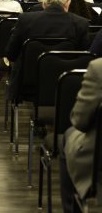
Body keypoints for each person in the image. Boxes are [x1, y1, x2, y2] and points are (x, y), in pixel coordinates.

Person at [5, 0, 90, 99]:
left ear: (44, 3)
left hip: (28, 84)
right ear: (68, 3)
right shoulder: (81, 24)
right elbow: (84, 58)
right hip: (67, 85)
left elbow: (11, 54)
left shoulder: (25, 20)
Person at [59, 58, 102, 212]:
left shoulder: (98, 68)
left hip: (97, 163)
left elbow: (80, 121)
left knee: (69, 135)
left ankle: (72, 206)